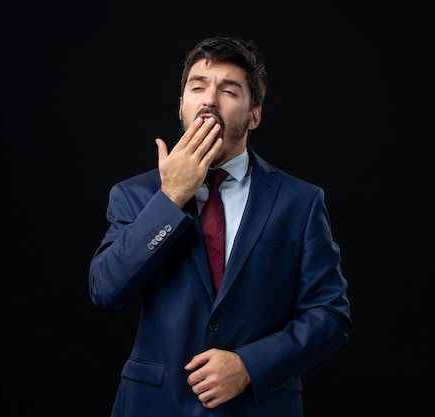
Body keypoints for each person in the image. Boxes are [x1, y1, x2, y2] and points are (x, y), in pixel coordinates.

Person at [88, 35, 352, 417]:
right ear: (182, 106)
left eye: (228, 90)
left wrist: (249, 365)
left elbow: (331, 315)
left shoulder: (300, 201)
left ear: (254, 114)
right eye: (198, 87)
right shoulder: (134, 195)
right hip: (154, 406)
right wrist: (169, 199)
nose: (209, 99)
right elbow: (106, 291)